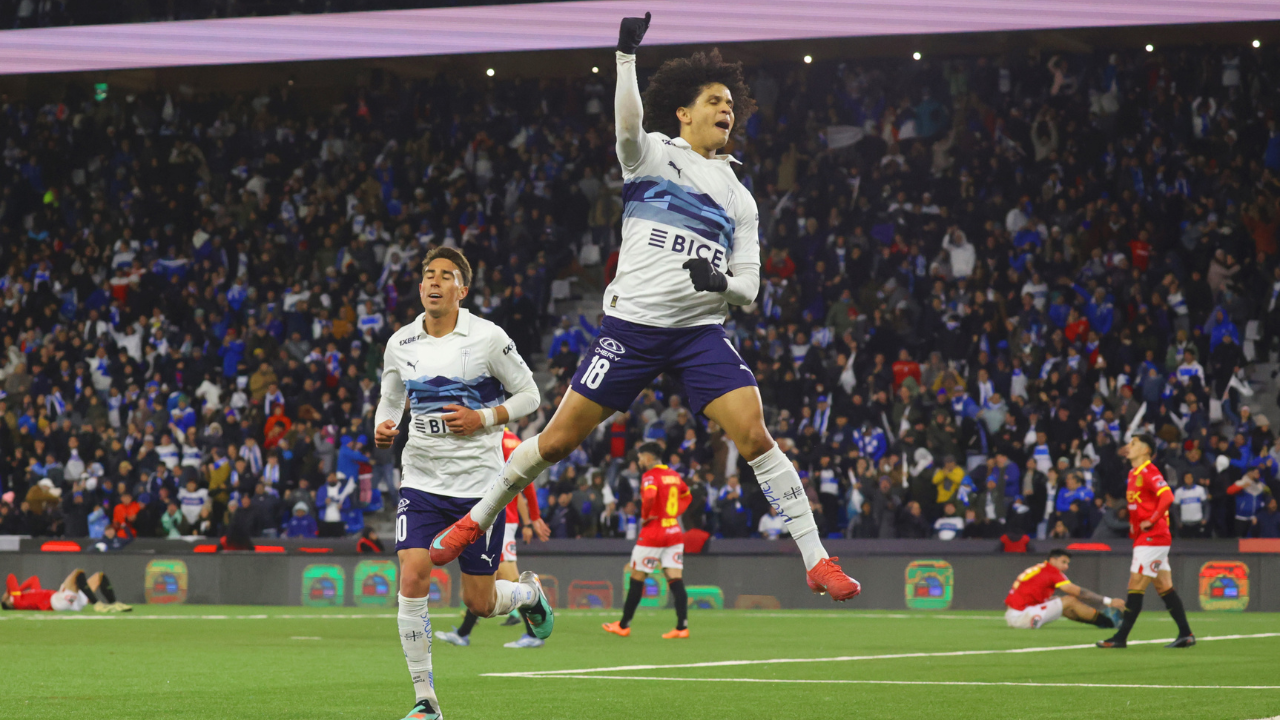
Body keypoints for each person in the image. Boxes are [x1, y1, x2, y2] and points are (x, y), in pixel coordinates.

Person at [427, 12, 859, 604]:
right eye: (714, 100)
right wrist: (625, 57)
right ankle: (475, 519)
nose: (725, 109)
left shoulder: (740, 197)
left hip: (698, 332)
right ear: (684, 113)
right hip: (631, 329)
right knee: (554, 444)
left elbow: (751, 289)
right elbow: (626, 127)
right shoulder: (652, 156)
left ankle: (817, 561)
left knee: (755, 435)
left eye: (730, 103)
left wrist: (721, 282)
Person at [373, 247, 553, 720]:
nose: (433, 282)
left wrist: (484, 416)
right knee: (413, 575)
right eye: (427, 275)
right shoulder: (401, 343)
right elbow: (391, 398)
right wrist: (385, 425)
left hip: (479, 489)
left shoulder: (488, 338)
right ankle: (426, 701)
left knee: (483, 600)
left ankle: (529, 594)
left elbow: (530, 394)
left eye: (445, 276)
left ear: (462, 290)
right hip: (421, 481)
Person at [435, 429, 553, 649]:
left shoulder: (501, 441)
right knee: (484, 579)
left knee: (510, 577)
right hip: (491, 517)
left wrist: (533, 519)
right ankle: (463, 633)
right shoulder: (500, 439)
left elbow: (526, 483)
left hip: (502, 520)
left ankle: (533, 633)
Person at [1097, 434, 1195, 649]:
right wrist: (1135, 525)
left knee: (1135, 584)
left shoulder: (1149, 471)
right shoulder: (1133, 473)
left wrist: (1151, 520)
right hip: (1146, 537)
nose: (1128, 447)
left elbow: (1167, 496)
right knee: (1163, 586)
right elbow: (1139, 504)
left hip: (1154, 537)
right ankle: (1186, 634)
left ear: (1146, 450)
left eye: (1134, 444)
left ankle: (1121, 637)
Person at [603, 442, 692, 639]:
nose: (640, 461)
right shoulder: (674, 474)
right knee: (675, 578)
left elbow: (650, 496)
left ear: (650, 458)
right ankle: (681, 627)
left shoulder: (650, 476)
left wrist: (646, 515)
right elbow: (686, 495)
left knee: (637, 576)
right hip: (674, 530)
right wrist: (675, 512)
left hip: (654, 532)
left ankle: (624, 625)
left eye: (641, 457)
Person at [1004, 549, 1123, 629]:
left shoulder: (1042, 568)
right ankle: (1108, 622)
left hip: (1015, 613)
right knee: (1069, 600)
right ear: (1053, 560)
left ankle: (1102, 622)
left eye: (1068, 563)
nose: (1066, 566)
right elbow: (1077, 592)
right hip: (1022, 616)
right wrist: (1108, 601)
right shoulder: (1052, 571)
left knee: (1059, 601)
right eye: (1063, 562)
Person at [2, 570, 131, 613]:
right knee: (78, 573)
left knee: (99, 576)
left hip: (71, 603)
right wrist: (10, 592)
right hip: (58, 601)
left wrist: (16, 591)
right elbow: (11, 578)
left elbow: (33, 579)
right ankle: (97, 604)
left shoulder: (26, 596)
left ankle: (114, 603)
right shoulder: (18, 602)